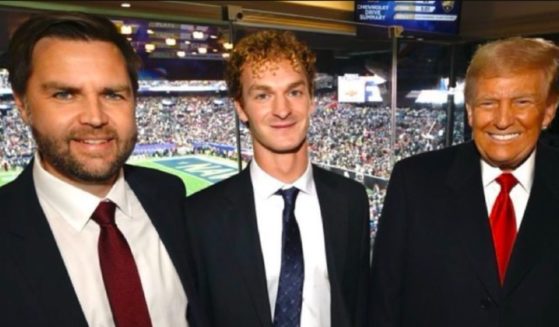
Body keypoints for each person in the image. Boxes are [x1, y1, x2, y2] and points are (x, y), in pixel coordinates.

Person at [0, 12, 206, 327]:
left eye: (112, 94)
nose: (95, 117)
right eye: (65, 94)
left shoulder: (168, 195)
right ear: (23, 104)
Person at [185, 30, 370, 327]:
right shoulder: (201, 216)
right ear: (241, 108)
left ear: (311, 99)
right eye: (263, 95)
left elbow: (358, 306)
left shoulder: (350, 200)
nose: (282, 110)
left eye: (294, 92)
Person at [370, 37, 559, 327]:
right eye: (488, 103)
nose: (503, 119)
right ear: (470, 111)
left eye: (521, 101)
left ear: (548, 110)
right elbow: (383, 306)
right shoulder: (415, 182)